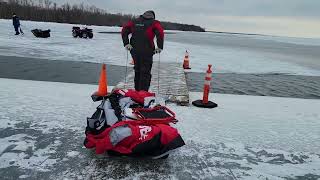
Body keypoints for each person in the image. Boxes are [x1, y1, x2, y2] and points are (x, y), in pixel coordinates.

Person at [121, 10, 164, 92]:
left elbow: (124, 30)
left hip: (134, 49)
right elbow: (160, 33)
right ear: (153, 16)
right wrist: (160, 47)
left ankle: (137, 91)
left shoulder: (134, 21)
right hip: (147, 50)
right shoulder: (154, 23)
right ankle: (143, 93)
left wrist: (126, 43)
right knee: (145, 72)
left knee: (137, 70)